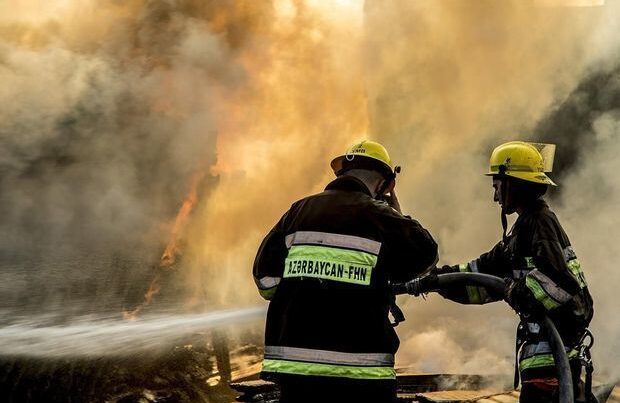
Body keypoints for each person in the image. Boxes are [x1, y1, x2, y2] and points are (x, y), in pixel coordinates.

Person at [252, 140, 438, 403]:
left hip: (296, 368)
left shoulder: (298, 211)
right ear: (385, 185)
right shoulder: (380, 216)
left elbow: (266, 282)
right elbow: (426, 254)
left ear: (341, 174)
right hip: (362, 370)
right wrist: (397, 212)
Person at [427, 141, 594, 403]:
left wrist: (517, 291)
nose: (495, 196)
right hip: (544, 363)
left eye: (497, 186)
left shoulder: (540, 222)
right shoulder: (522, 231)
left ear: (514, 184)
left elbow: (560, 282)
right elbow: (479, 275)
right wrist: (435, 280)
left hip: (552, 365)